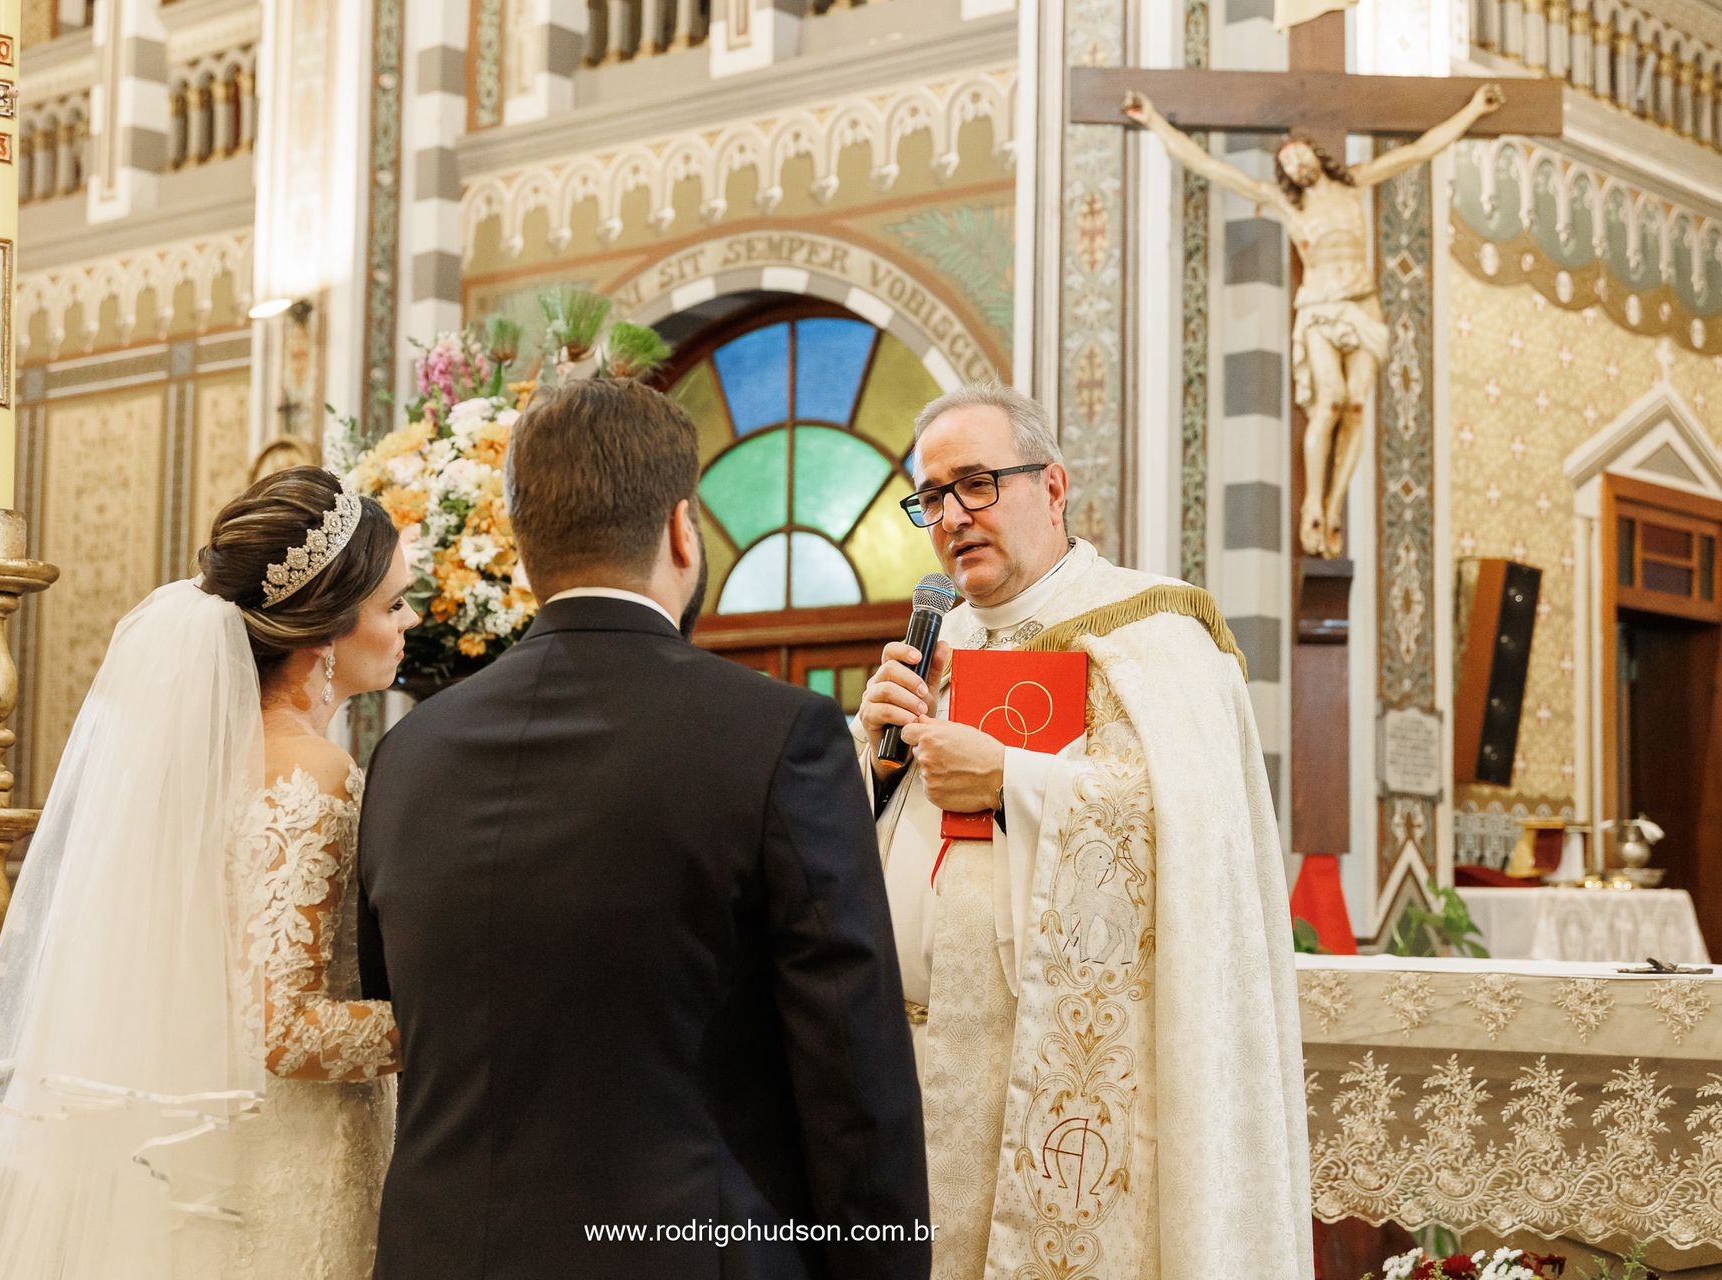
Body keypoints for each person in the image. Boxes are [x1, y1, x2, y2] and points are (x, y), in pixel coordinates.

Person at [356, 377, 930, 1280]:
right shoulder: (780, 736)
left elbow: (395, 1003)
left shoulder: (407, 755)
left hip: (442, 1252)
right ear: (680, 529)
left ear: (523, 547)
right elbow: (850, 1064)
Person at [855, 383, 1310, 1280]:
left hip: (1051, 1076)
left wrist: (1009, 782)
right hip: (903, 1063)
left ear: (1054, 487)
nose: (952, 517)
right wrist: (872, 761)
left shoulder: (1155, 633)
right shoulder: (935, 649)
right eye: (933, 497)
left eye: (976, 483)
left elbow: (1191, 835)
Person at [0, 465, 416, 1279]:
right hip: (288, 1160)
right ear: (326, 630)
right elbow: (281, 1030)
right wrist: (441, 1025)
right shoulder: (312, 772)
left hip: (203, 1145)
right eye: (394, 605)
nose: (410, 622)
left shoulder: (193, 763)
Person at [1123, 82, 1503, 557]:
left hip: (1362, 305)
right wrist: (1155, 121)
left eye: (1298, 154)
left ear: (1315, 154)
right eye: (1285, 164)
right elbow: (1208, 165)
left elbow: (1421, 150)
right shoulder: (1286, 203)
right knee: (1330, 402)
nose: (1294, 165)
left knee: (1356, 407)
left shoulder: (1353, 184)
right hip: (1320, 310)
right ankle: (1312, 507)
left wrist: (1474, 109)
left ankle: (1334, 505)